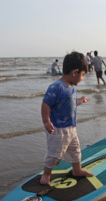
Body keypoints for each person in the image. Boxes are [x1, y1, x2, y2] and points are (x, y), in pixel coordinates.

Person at [40, 51, 94, 185]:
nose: (82, 79)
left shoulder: (71, 87)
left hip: (71, 128)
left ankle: (77, 170)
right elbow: (46, 103)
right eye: (82, 75)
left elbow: (71, 104)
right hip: (58, 130)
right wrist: (46, 121)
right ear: (75, 72)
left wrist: (81, 100)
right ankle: (46, 174)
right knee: (55, 154)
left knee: (75, 151)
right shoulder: (56, 87)